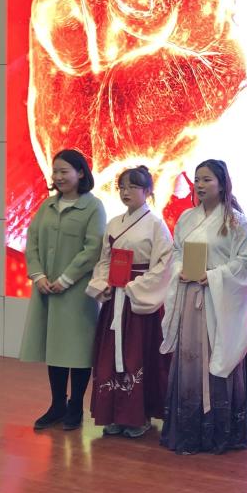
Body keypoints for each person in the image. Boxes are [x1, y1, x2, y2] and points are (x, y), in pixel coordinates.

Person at [160, 160, 247, 454]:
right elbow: (176, 252)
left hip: (219, 301)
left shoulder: (235, 221)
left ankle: (221, 432)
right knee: (190, 361)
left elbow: (246, 260)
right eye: (197, 180)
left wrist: (213, 276)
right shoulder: (186, 218)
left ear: (222, 183)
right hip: (191, 298)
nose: (200, 185)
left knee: (219, 355)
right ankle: (189, 431)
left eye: (207, 179)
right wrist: (182, 270)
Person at [20, 149, 106, 430]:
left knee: (78, 352)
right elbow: (32, 241)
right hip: (47, 289)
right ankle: (57, 405)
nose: (58, 176)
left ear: (80, 173)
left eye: (64, 171)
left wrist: (67, 278)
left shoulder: (93, 207)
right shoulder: (47, 206)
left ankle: (75, 408)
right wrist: (38, 275)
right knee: (55, 349)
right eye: (55, 171)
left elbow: (93, 248)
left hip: (77, 293)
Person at [86, 165, 174, 438]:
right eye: (122, 187)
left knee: (138, 355)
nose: (126, 192)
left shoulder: (156, 224)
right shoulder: (114, 223)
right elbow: (105, 258)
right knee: (111, 356)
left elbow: (164, 264)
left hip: (139, 300)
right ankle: (113, 414)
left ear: (147, 191)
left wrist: (136, 287)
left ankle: (138, 417)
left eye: (133, 187)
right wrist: (103, 284)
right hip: (116, 298)